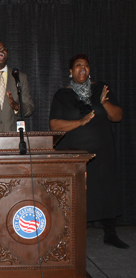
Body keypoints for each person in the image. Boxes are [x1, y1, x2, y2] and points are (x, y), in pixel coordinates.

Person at [49, 54, 128, 249]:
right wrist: (80, 122)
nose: (82, 68)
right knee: (76, 194)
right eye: (78, 65)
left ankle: (110, 234)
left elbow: (117, 117)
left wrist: (104, 103)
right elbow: (54, 125)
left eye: (85, 65)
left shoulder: (101, 89)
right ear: (70, 71)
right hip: (74, 154)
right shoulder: (62, 94)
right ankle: (72, 235)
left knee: (106, 190)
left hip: (102, 152)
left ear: (89, 69)